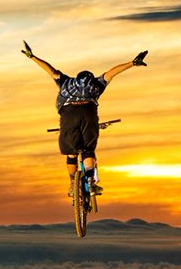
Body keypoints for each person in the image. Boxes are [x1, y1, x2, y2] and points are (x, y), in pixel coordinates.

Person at [22, 41, 147, 195]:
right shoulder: (96, 83)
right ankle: (90, 182)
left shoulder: (67, 81)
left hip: (68, 113)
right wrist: (132, 63)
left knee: (71, 152)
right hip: (89, 112)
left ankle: (73, 183)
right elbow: (112, 72)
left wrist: (32, 57)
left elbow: (51, 71)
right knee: (88, 149)